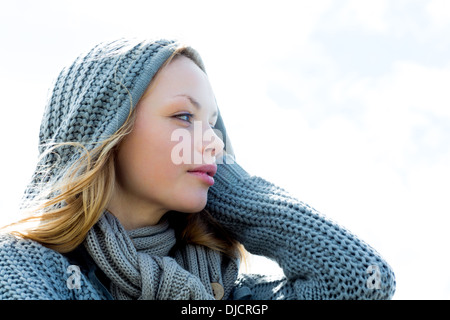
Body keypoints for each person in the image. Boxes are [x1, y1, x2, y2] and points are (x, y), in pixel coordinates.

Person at [0, 38, 395, 300]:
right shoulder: (24, 268)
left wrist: (232, 190)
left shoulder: (231, 296)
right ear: (106, 129)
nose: (215, 142)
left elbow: (361, 280)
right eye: (184, 116)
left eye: (214, 126)